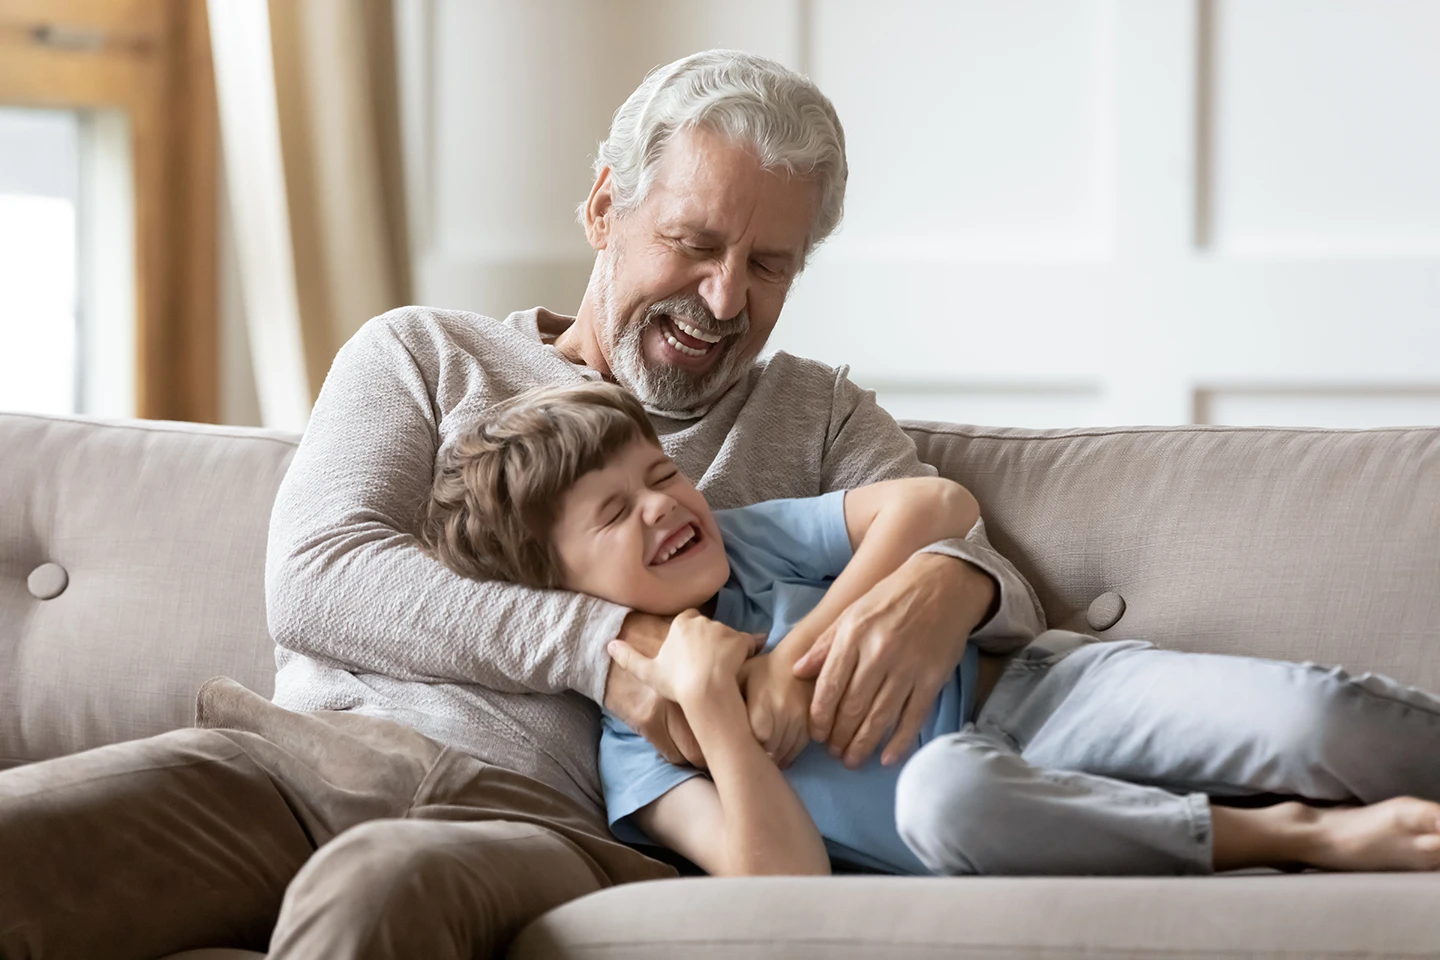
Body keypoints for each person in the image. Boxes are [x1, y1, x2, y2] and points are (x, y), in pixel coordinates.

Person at [0, 50, 1039, 959]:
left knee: (376, 894)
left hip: (546, 828)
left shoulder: (811, 414)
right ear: (602, 209)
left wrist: (949, 585)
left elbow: (1006, 589)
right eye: (693, 243)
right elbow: (319, 579)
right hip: (300, 766)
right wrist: (615, 648)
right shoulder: (423, 354)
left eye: (768, 265)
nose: (725, 300)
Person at [422, 381, 1440, 878]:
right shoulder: (637, 755)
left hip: (1046, 693)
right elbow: (779, 882)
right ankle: (1296, 836)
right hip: (974, 807)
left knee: (1316, 721)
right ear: (558, 586)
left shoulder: (749, 544)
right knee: (946, 790)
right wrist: (713, 709)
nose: (660, 506)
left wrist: (800, 650)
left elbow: (928, 504)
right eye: (613, 513)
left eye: (659, 474)